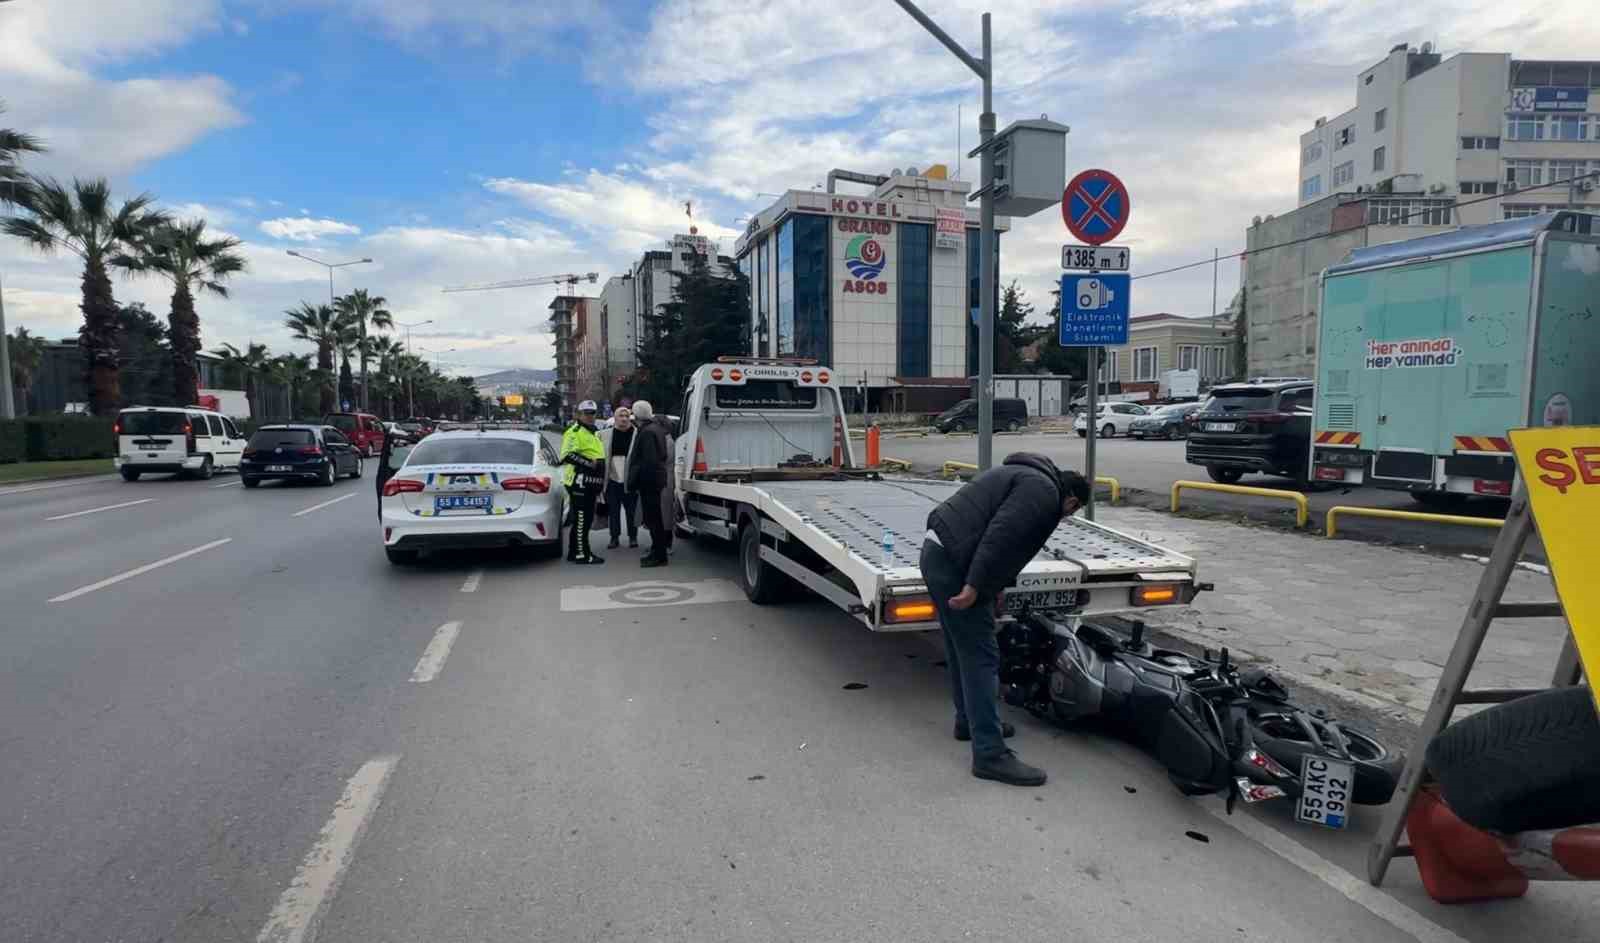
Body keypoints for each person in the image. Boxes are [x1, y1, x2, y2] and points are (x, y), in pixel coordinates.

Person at [922, 453, 1088, 787]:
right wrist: (974, 586)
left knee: (960, 646)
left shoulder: (1025, 475)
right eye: (1071, 512)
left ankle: (968, 722)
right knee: (982, 656)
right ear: (1071, 501)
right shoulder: (1043, 492)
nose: (1065, 517)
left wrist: (995, 587)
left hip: (939, 553)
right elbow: (1000, 536)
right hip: (956, 564)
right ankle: (990, 754)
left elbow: (1010, 546)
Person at [559, 401, 607, 564]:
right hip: (578, 481)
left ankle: (574, 552)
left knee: (584, 519)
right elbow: (567, 455)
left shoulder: (593, 432)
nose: (590, 416)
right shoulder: (574, 432)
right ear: (578, 414)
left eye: (592, 413)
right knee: (582, 519)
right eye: (586, 413)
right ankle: (582, 554)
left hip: (589, 482)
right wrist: (590, 464)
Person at [626, 400, 671, 567]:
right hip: (656, 480)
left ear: (637, 415)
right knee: (655, 518)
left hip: (649, 482)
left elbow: (649, 461)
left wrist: (638, 480)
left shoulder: (647, 432)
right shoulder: (656, 429)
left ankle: (659, 555)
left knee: (653, 519)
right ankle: (657, 552)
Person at [599, 407, 639, 549]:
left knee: (631, 510)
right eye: (621, 416)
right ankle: (614, 537)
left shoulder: (637, 433)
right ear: (615, 418)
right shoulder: (604, 434)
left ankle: (633, 537)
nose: (624, 418)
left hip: (630, 479)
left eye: (626, 416)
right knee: (613, 510)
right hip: (612, 478)